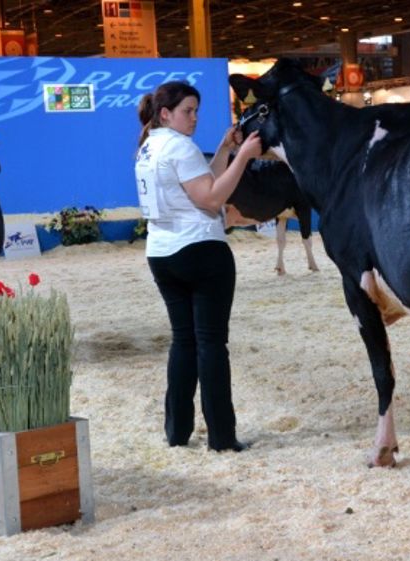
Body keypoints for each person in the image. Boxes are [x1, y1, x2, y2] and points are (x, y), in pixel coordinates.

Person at [135, 82, 263, 452]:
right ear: (165, 114)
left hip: (162, 253)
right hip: (201, 251)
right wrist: (244, 157)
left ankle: (177, 432)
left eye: (196, 111)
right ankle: (222, 438)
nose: (194, 118)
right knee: (211, 344)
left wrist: (225, 149)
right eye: (187, 111)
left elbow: (199, 183)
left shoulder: (149, 146)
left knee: (184, 341)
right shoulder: (180, 146)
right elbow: (210, 199)